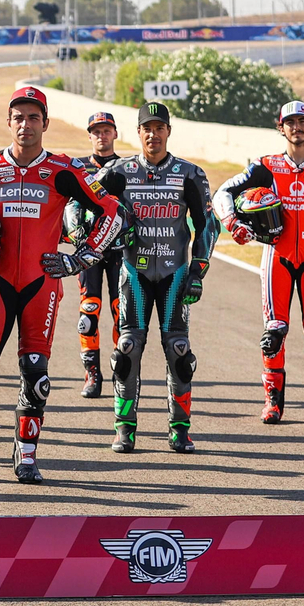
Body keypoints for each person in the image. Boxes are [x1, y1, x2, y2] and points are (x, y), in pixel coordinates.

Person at [0, 85, 122, 485]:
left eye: (34, 117)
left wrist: (80, 257)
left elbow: (112, 212)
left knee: (36, 375)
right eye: (19, 117)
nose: (26, 124)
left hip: (41, 286)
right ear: (9, 122)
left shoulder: (63, 170)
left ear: (45, 123)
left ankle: (27, 455)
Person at [213, 99, 304, 424]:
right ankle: (273, 403)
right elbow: (222, 193)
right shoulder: (264, 165)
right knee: (273, 333)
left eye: (302, 121)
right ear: (280, 128)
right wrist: (233, 223)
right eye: (290, 122)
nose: (297, 127)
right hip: (276, 259)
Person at [106, 101, 219, 453]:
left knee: (179, 352)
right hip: (133, 274)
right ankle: (125, 428)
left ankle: (180, 430)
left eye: (159, 127)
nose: (153, 134)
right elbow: (83, 204)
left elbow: (207, 225)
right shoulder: (117, 172)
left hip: (175, 274)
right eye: (146, 128)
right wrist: (96, 235)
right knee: (127, 350)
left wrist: (198, 270)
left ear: (169, 131)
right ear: (137, 133)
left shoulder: (190, 174)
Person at [73, 111, 125, 398]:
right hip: (87, 250)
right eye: (96, 131)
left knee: (122, 311)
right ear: (89, 135)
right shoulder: (78, 167)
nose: (101, 136)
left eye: (106, 131)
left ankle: (121, 370)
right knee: (88, 312)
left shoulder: (128, 166)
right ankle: (92, 374)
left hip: (119, 250)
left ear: (115, 134)